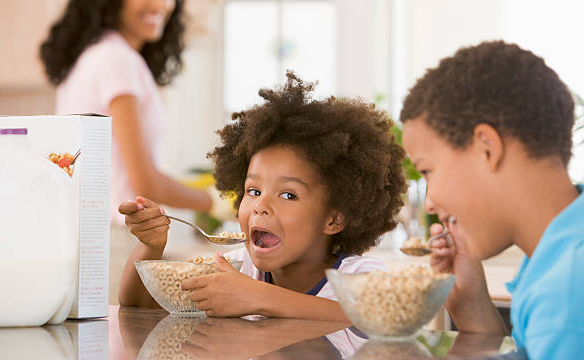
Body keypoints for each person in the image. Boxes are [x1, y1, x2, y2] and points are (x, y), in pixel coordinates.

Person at [118, 71, 408, 320]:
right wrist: (150, 247)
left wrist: (258, 297)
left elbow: (375, 318)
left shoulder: (359, 276)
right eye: (253, 191)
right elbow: (137, 305)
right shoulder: (237, 267)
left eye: (289, 195)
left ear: (333, 219)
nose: (261, 206)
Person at [399, 41, 584, 359]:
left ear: (487, 148)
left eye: (428, 171)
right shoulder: (561, 255)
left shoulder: (569, 295)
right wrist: (471, 307)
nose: (431, 204)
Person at [39, 0, 213, 225]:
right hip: (116, 235)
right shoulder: (117, 60)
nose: (159, 2)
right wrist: (215, 200)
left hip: (90, 230)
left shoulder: (94, 55)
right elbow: (145, 184)